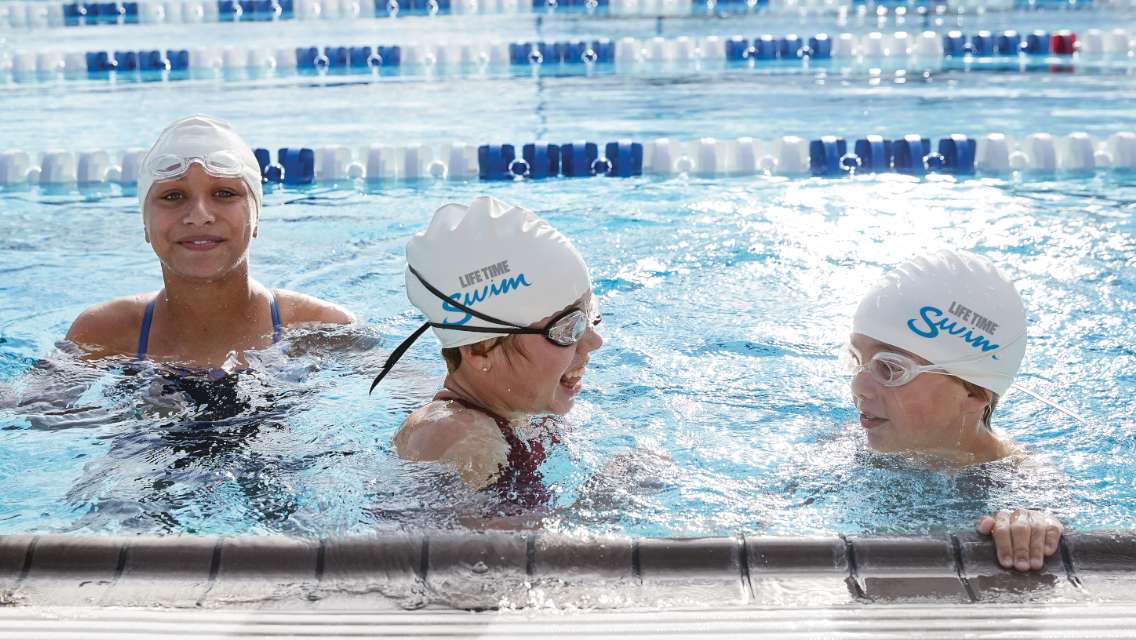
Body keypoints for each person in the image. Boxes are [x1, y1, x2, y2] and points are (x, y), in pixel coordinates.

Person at [65, 114, 353, 370]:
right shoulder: (104, 334)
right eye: (173, 196)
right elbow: (28, 417)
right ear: (145, 223)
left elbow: (394, 399)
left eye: (224, 193)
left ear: (256, 217)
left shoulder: (322, 329)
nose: (199, 216)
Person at [369, 196, 602, 503]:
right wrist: (607, 499)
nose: (595, 342)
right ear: (480, 349)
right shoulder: (454, 436)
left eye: (591, 316)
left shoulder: (519, 416)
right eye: (568, 328)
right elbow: (495, 549)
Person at [847, 249, 1063, 572]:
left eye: (890, 369)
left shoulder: (1022, 478)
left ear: (974, 393)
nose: (858, 388)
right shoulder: (847, 451)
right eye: (857, 361)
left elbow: (1046, 513)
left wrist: (1029, 522)